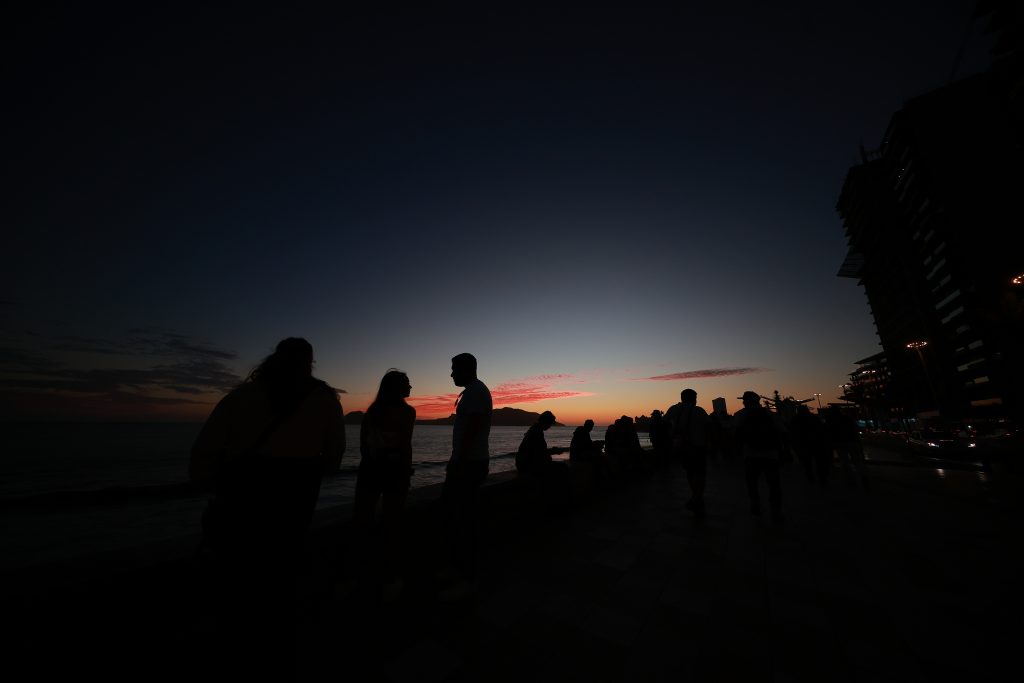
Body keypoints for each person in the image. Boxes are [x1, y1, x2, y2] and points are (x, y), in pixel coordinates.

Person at [189, 337, 345, 676]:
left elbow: (203, 456)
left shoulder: (241, 397)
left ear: (274, 359)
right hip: (297, 492)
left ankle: (232, 631)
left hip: (244, 492)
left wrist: (216, 485)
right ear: (310, 364)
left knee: (238, 561)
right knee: (284, 560)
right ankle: (278, 634)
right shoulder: (324, 400)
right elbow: (333, 458)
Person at [352, 369, 415, 601]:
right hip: (395, 472)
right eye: (407, 384)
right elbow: (405, 446)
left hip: (370, 470)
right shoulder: (407, 413)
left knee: (362, 520)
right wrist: (406, 471)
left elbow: (363, 447)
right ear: (397, 387)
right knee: (392, 523)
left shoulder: (372, 411)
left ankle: (357, 575)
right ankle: (390, 577)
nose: (411, 387)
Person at [438, 352, 492, 600]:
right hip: (468, 462)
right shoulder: (472, 391)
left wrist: (457, 462)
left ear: (466, 369)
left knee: (462, 519)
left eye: (453, 369)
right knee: (460, 517)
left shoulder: (475, 392)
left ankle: (466, 576)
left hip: (469, 465)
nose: (451, 374)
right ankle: (460, 570)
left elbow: (472, 430)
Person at [735, 390, 784, 522]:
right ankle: (775, 509)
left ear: (745, 402)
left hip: (751, 455)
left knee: (752, 482)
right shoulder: (770, 414)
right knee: (773, 484)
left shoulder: (740, 415)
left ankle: (755, 504)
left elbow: (736, 434)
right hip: (771, 454)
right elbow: (781, 430)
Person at [665, 388, 711, 518]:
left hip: (683, 448)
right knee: (700, 474)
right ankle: (697, 498)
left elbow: (664, 422)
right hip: (699, 447)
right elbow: (709, 428)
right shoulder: (699, 411)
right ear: (693, 398)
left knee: (690, 472)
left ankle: (695, 497)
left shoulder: (674, 409)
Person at [517, 410, 570, 512]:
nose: (550, 426)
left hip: (525, 463)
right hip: (528, 465)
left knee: (561, 468)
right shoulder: (537, 432)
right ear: (546, 422)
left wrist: (550, 452)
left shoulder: (535, 430)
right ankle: (559, 503)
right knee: (563, 469)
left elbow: (538, 451)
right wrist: (554, 451)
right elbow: (538, 453)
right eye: (550, 424)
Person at [824, 406, 868, 491]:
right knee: (857, 461)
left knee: (844, 462)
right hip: (852, 442)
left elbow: (828, 433)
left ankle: (850, 480)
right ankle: (863, 477)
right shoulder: (847, 418)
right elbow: (854, 430)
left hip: (840, 443)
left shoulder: (830, 421)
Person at [789, 404, 830, 486]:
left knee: (807, 463)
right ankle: (822, 479)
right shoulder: (814, 418)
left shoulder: (795, 420)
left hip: (803, 445)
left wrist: (795, 446)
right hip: (816, 444)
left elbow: (792, 433)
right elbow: (822, 430)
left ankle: (810, 478)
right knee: (819, 463)